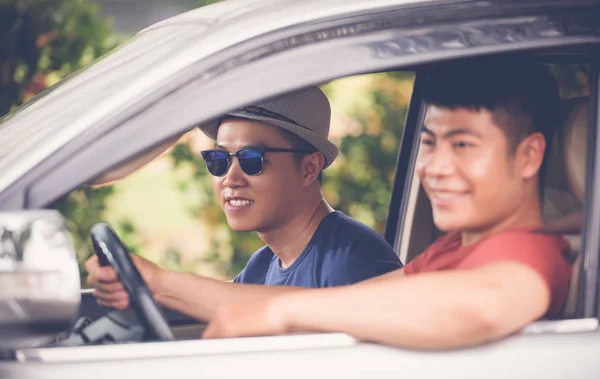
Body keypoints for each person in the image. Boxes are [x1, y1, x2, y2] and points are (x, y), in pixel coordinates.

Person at [201, 59, 573, 349]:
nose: (433, 168)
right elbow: (365, 298)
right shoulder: (454, 248)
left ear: (528, 156)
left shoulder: (532, 255)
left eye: (462, 145)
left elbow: (492, 304)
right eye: (428, 144)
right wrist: (161, 282)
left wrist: (280, 313)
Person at [85, 86, 402, 322]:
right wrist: (133, 289)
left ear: (309, 168)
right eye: (218, 159)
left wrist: (157, 283)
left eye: (252, 160)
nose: (230, 178)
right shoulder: (263, 265)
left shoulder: (352, 264)